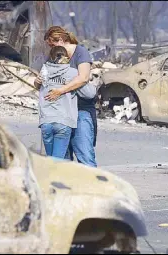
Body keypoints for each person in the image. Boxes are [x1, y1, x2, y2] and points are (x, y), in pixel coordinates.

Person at [35, 26, 98, 167]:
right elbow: (42, 82)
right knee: (63, 158)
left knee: (84, 153)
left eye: (52, 44)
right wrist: (38, 82)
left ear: (61, 40)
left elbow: (83, 78)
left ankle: (92, 187)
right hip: (61, 113)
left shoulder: (81, 53)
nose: (51, 49)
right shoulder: (53, 56)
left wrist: (60, 90)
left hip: (80, 110)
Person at [38, 46, 78, 159]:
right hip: (63, 121)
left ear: (51, 56)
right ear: (66, 57)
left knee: (51, 160)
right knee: (57, 162)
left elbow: (39, 87)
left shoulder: (44, 71)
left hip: (46, 121)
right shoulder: (73, 73)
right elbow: (87, 92)